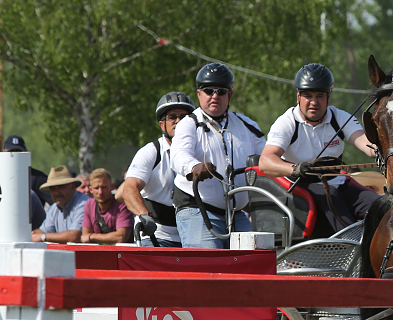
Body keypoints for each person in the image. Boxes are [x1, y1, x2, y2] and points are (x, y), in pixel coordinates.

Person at [258, 63, 379, 234]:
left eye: (320, 96)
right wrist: (295, 168)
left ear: (329, 97)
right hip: (301, 185)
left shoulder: (340, 117)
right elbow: (265, 161)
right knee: (330, 194)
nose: (314, 102)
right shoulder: (286, 122)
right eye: (308, 95)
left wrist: (383, 151)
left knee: (381, 206)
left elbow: (364, 142)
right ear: (298, 96)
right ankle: (352, 245)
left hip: (338, 183)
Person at [170, 63, 265, 248]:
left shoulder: (248, 125)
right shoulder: (188, 123)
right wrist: (194, 167)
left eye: (221, 91)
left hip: (236, 213)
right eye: (208, 90)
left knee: (253, 260)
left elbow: (268, 158)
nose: (215, 96)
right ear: (199, 94)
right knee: (209, 267)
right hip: (198, 209)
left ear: (230, 95)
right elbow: (179, 155)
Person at [120, 92, 195, 247]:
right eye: (172, 117)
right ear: (162, 124)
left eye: (184, 117)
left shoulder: (200, 151)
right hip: (157, 235)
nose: (178, 121)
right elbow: (129, 188)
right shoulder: (151, 151)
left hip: (193, 234)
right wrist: (143, 215)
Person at [31, 165, 89, 243]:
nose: (56, 193)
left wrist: (43, 237)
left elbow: (75, 236)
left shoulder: (84, 204)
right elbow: (43, 231)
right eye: (53, 189)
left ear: (72, 186)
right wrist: (31, 235)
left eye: (61, 187)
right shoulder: (55, 208)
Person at [81, 168, 133, 244]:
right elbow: (85, 237)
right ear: (91, 189)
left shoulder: (122, 205)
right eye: (96, 188)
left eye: (104, 187)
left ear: (112, 187)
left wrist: (92, 236)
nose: (100, 192)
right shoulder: (89, 204)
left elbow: (121, 237)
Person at [3, 134, 52, 207]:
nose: (16, 155)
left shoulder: (38, 178)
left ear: (26, 151)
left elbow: (56, 202)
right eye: (11, 152)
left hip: (31, 217)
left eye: (19, 151)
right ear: (3, 152)